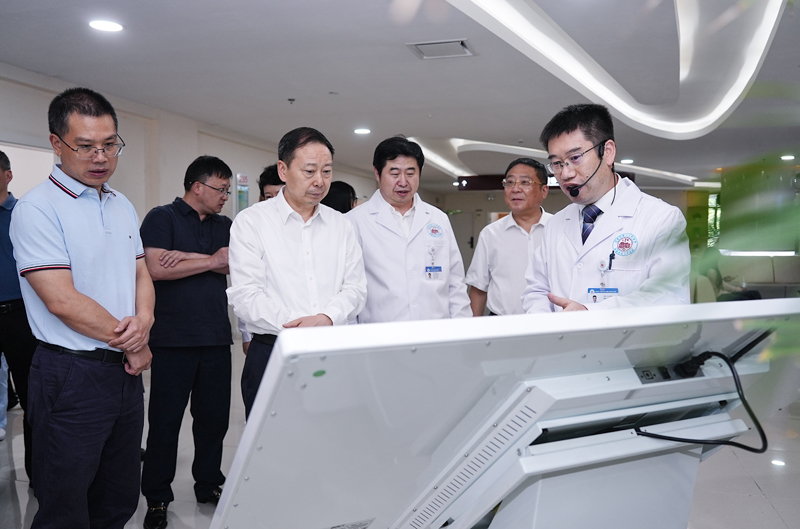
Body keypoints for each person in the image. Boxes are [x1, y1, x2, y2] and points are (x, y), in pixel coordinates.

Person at [9, 87, 154, 528]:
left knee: (118, 496)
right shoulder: (37, 208)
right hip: (71, 374)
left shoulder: (121, 203)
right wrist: (134, 344)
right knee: (66, 504)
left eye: (110, 145)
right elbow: (61, 299)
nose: (101, 157)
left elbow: (141, 273)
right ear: (57, 144)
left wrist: (145, 321)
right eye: (86, 146)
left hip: (123, 376)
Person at [227, 127, 366, 418]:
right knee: (274, 442)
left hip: (333, 351)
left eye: (326, 172)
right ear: (283, 170)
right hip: (273, 351)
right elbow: (246, 296)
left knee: (334, 435)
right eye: (309, 171)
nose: (320, 181)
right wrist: (299, 328)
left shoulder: (342, 225)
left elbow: (355, 289)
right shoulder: (251, 222)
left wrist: (326, 318)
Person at [138, 155, 233, 528]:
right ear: (197, 186)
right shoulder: (162, 218)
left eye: (227, 190)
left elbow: (235, 262)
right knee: (165, 423)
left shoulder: (226, 225)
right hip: (172, 340)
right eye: (220, 189)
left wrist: (188, 259)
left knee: (213, 421)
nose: (225, 196)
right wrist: (210, 261)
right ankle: (157, 498)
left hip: (216, 338)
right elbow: (156, 267)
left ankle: (208, 483)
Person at [522, 104, 690, 312]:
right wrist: (547, 322)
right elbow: (536, 290)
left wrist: (590, 314)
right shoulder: (555, 224)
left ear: (607, 153)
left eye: (575, 158)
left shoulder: (661, 219)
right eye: (557, 163)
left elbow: (669, 296)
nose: (565, 174)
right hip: (559, 334)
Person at [346, 136, 471, 323]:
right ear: (377, 173)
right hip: (379, 334)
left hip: (436, 331)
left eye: (410, 173)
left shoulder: (438, 218)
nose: (403, 182)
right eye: (394, 173)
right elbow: (348, 289)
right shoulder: (354, 221)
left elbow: (455, 282)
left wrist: (463, 327)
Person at [465, 158, 552, 316]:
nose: (515, 189)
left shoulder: (559, 229)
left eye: (525, 182)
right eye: (510, 182)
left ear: (544, 191)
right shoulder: (490, 234)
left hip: (552, 323)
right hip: (501, 323)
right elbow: (478, 288)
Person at [2, 147, 39, 452]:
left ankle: (38, 470)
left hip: (20, 315)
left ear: (8, 175)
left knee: (31, 395)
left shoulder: (25, 213)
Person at [240, 164, 283, 355]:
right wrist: (246, 336)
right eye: (268, 196)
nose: (274, 201)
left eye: (279, 195)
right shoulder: (253, 227)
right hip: (265, 333)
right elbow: (246, 286)